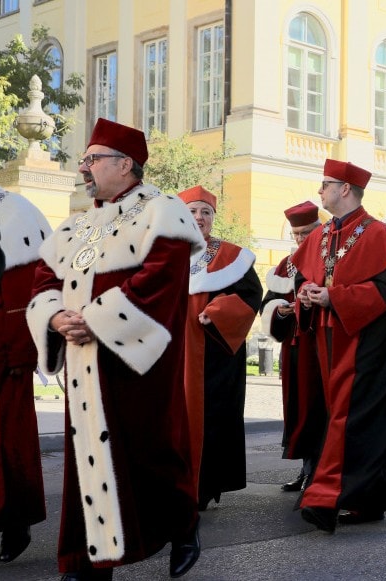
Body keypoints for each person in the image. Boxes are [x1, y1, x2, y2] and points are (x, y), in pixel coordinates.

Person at [26, 119, 204, 580]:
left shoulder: (162, 211)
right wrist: (54, 315)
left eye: (93, 159)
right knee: (86, 460)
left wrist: (97, 319)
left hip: (134, 363)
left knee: (151, 454)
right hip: (84, 363)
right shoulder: (78, 224)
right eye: (84, 160)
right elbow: (45, 278)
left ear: (125, 165)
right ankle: (86, 562)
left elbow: (161, 279)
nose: (84, 168)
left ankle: (182, 525)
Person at [292, 159, 386, 533]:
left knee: (355, 419)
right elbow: (309, 279)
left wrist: (333, 298)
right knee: (342, 417)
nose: (319, 190)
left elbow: (385, 292)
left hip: (366, 345)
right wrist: (307, 296)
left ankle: (329, 498)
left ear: (345, 188)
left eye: (324, 184)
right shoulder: (324, 233)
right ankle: (368, 501)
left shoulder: (378, 234)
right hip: (330, 342)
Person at [179, 185, 262, 511]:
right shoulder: (163, 253)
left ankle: (204, 486)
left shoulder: (230, 256)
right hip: (172, 352)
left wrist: (217, 312)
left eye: (206, 212)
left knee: (210, 419)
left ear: (213, 218)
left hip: (214, 354)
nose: (199, 217)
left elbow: (249, 296)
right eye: (192, 212)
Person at [0, 189, 49, 564]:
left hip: (6, 362)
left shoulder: (18, 215)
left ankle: (17, 522)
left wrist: (22, 352)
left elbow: (28, 297)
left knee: (12, 447)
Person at [260, 201, 325, 492]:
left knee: (318, 406)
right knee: (297, 406)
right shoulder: (285, 266)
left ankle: (320, 471)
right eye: (296, 234)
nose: (300, 239)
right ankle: (306, 468)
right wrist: (281, 310)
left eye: (307, 233)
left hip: (321, 344)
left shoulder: (329, 258)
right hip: (294, 346)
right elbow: (268, 303)